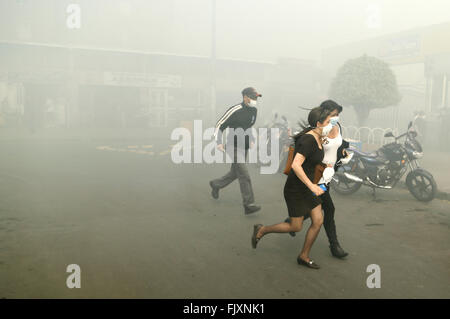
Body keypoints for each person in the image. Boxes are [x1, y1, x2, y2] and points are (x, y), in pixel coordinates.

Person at [251, 106, 333, 269]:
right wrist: (312, 186)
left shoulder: (318, 137)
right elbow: (296, 165)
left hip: (308, 187)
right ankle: (262, 230)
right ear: (318, 123)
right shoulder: (308, 140)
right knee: (295, 226)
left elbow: (311, 160)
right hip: (297, 189)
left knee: (318, 220)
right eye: (329, 122)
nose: (332, 125)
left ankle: (303, 256)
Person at [286, 100, 350, 258]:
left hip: (329, 174)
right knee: (328, 207)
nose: (337, 118)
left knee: (318, 204)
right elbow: (308, 149)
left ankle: (293, 220)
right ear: (324, 114)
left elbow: (337, 145)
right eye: (334, 114)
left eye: (338, 115)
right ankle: (334, 246)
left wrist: (343, 154)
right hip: (318, 176)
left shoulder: (337, 127)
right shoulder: (320, 129)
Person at [209, 87, 262, 215]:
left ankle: (216, 184)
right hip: (233, 146)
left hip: (244, 147)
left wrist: (252, 139)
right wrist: (219, 142)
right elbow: (219, 126)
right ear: (245, 97)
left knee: (235, 173)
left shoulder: (254, 110)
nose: (255, 100)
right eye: (253, 97)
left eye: (256, 98)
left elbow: (248, 127)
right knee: (244, 173)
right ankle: (249, 204)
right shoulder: (235, 110)